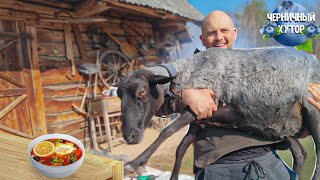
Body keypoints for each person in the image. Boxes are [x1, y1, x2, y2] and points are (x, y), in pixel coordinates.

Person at [181, 10, 319, 180]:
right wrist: (184, 93)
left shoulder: (256, 67)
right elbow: (153, 97)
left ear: (234, 33)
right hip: (218, 168)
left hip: (267, 162)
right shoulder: (189, 70)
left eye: (224, 31)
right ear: (202, 39)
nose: (218, 37)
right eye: (211, 33)